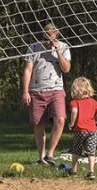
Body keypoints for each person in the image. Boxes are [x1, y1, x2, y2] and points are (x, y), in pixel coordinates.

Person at [22, 21, 71, 165]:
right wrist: (25, 91)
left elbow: (66, 69)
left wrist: (57, 52)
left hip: (56, 89)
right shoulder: (34, 47)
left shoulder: (63, 47)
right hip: (36, 90)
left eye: (51, 35)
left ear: (56, 34)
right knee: (38, 124)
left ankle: (50, 154)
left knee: (60, 119)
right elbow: (27, 70)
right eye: (46, 35)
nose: (48, 38)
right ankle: (42, 157)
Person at [67, 76, 97, 180]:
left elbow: (74, 111)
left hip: (80, 130)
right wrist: (96, 117)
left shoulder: (74, 102)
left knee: (76, 150)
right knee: (91, 152)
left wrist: (72, 123)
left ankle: (73, 170)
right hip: (93, 130)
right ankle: (91, 172)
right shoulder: (93, 101)